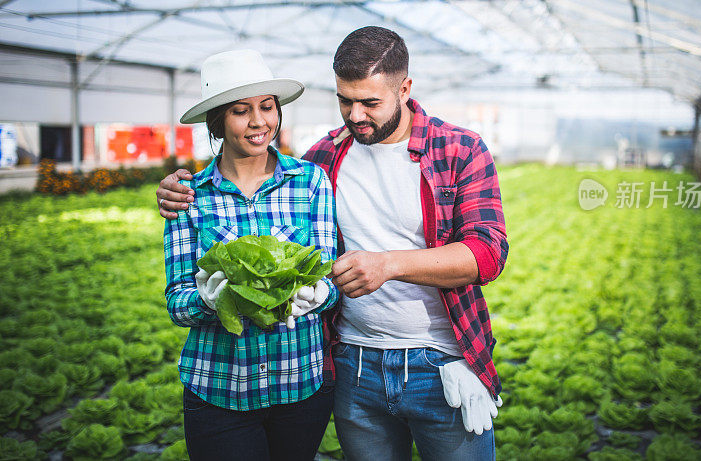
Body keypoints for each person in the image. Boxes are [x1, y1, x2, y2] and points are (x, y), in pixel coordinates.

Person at [158, 27, 509, 460]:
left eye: (370, 103)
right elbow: (257, 183)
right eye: (345, 100)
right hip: (352, 367)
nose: (356, 115)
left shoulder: (459, 149)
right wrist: (176, 189)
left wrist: (389, 264)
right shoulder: (323, 158)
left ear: (405, 88)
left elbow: (488, 254)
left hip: (442, 363)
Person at [162, 49, 339, 461]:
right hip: (219, 388)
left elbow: (328, 279)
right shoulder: (189, 196)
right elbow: (177, 304)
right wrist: (212, 299)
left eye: (267, 107)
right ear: (218, 122)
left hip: (299, 384)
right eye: (241, 111)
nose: (260, 122)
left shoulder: (310, 182)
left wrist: (317, 294)